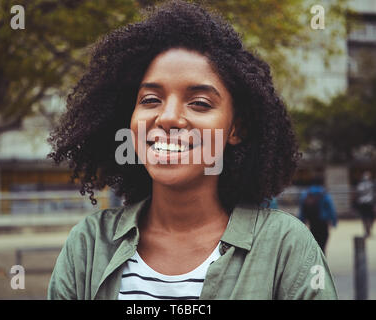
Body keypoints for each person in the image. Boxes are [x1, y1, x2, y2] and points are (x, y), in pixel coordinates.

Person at [47, 0, 338, 299]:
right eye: (150, 100)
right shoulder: (89, 244)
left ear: (236, 129)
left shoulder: (285, 248)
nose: (169, 117)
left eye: (199, 103)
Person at [298, 178, 338, 255]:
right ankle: (322, 259)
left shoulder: (306, 194)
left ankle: (316, 260)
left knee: (315, 243)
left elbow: (302, 209)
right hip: (323, 222)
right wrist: (334, 221)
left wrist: (302, 221)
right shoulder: (324, 193)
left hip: (312, 222)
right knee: (322, 244)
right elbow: (331, 208)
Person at [355, 171, 375, 237]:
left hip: (362, 203)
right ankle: (368, 228)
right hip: (369, 203)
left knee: (364, 217)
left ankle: (366, 230)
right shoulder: (372, 184)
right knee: (370, 217)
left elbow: (357, 195)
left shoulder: (360, 185)